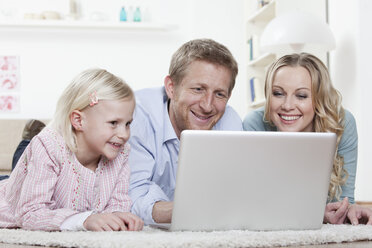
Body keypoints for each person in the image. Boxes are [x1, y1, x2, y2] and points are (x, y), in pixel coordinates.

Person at [0, 68, 144, 231]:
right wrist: (83, 220)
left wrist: (119, 216)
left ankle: (29, 142)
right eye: (113, 123)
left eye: (128, 124)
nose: (124, 134)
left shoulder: (121, 152)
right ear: (78, 120)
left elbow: (117, 203)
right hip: (8, 199)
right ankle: (28, 140)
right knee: (25, 159)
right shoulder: (48, 146)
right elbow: (30, 214)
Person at [243, 53, 372, 225]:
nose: (287, 106)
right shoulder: (255, 124)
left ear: (319, 98)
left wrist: (350, 209)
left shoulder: (341, 123)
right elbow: (254, 204)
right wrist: (318, 215)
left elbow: (343, 201)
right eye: (278, 93)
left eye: (301, 96)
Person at [129, 39, 243, 225]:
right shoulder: (136, 115)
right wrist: (189, 209)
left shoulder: (230, 121)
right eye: (198, 89)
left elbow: (232, 189)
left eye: (219, 94)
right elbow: (132, 197)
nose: (207, 106)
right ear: (171, 88)